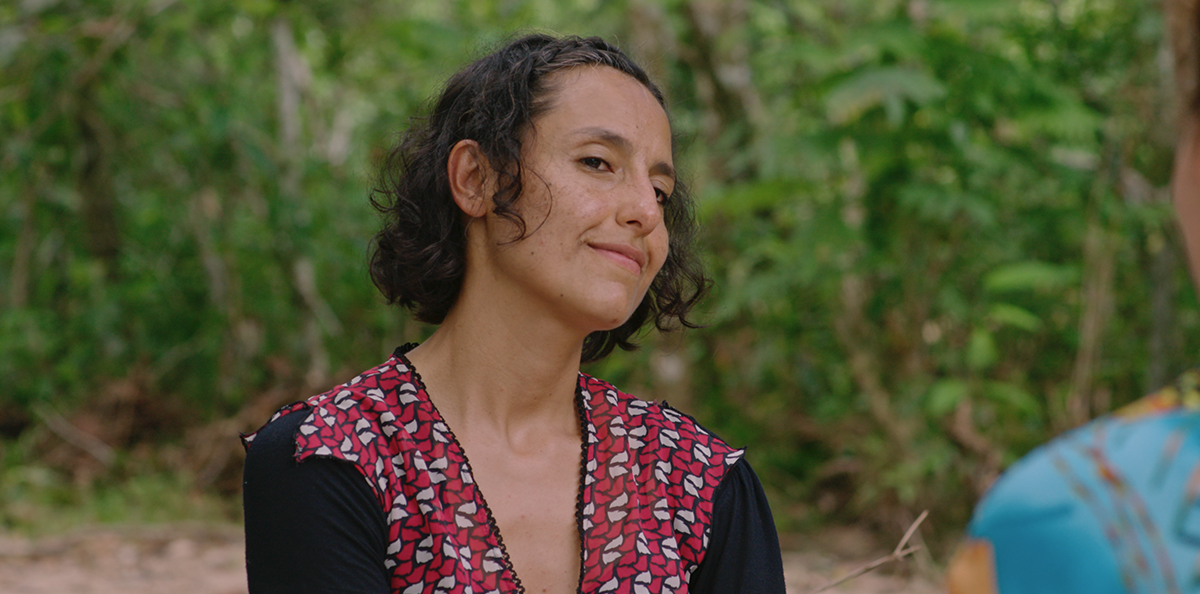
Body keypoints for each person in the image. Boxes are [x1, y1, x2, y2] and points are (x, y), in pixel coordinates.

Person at [241, 34, 786, 594]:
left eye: (661, 190)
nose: (646, 211)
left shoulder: (697, 479)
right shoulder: (331, 457)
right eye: (597, 162)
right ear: (476, 179)